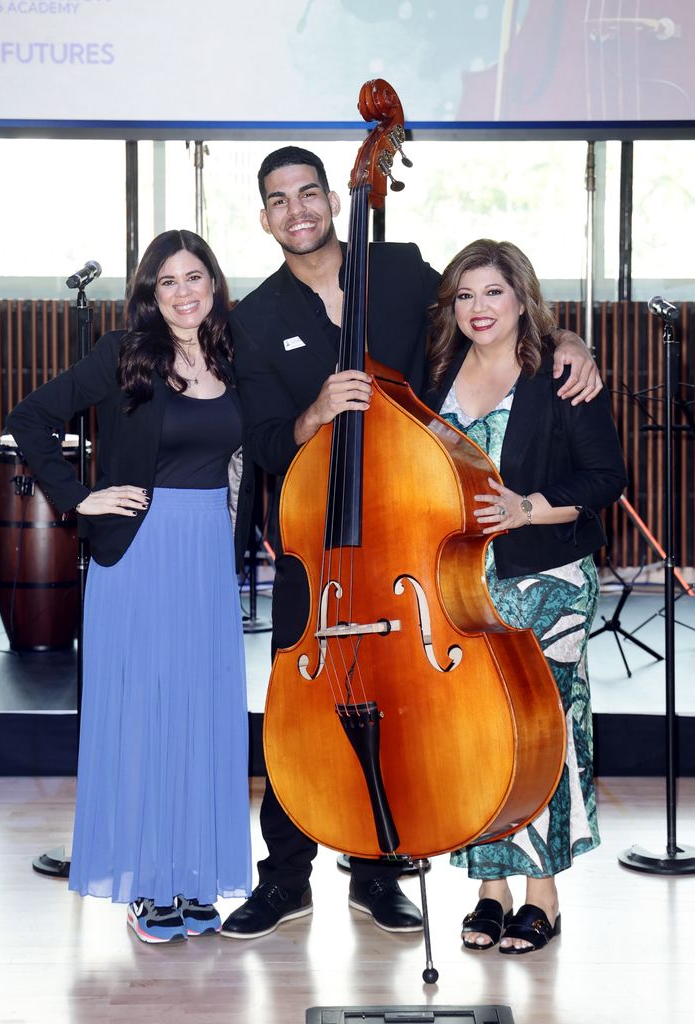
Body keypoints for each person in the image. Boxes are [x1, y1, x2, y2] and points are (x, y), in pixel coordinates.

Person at [223, 145, 603, 941]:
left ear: (333, 199)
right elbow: (263, 442)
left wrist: (569, 340)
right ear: (265, 219)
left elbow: (489, 316)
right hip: (319, 546)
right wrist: (317, 413)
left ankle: (381, 871)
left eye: (310, 194)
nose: (298, 210)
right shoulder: (254, 320)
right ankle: (284, 879)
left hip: (415, 541)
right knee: (298, 718)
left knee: (412, 708)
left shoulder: (395, 271)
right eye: (279, 200)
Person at [7, 229, 253, 944]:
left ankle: (195, 878)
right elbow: (31, 419)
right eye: (166, 281)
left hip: (208, 550)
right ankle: (149, 884)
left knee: (202, 712)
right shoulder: (123, 355)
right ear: (150, 293)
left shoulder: (238, 356)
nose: (183, 292)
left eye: (194, 276)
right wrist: (79, 495)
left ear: (214, 282)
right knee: (147, 714)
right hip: (141, 551)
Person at [425, 238, 627, 954]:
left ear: (521, 298)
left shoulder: (559, 375)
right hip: (461, 582)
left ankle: (543, 894)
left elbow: (606, 477)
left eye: (494, 293)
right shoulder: (438, 372)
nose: (479, 309)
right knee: (477, 733)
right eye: (466, 296)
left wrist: (528, 507)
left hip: (549, 580)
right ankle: (490, 891)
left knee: (546, 734)